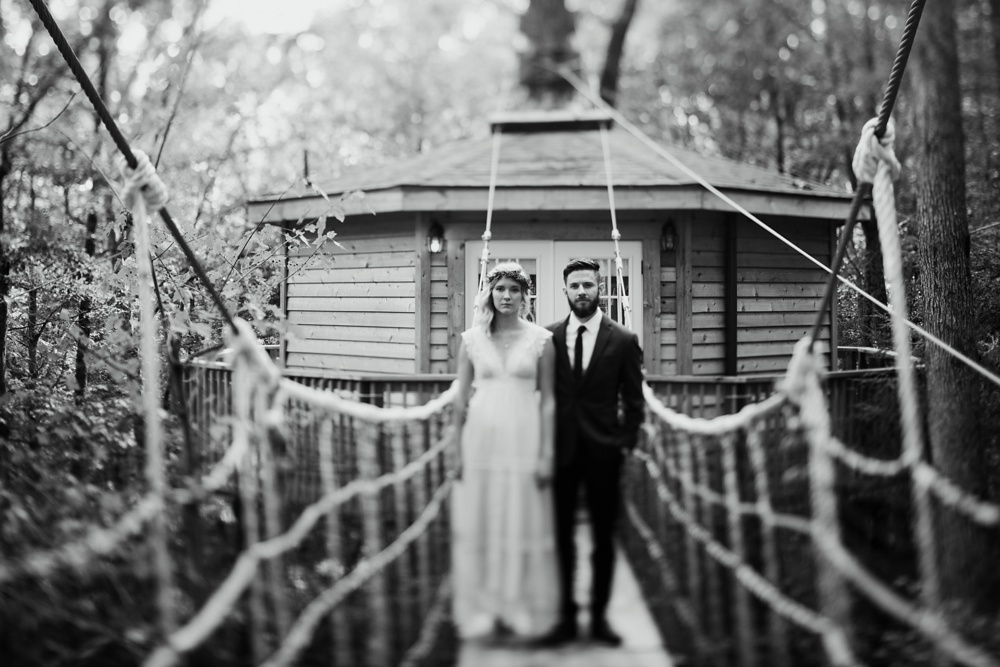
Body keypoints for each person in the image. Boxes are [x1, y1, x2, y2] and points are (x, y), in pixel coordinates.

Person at [450, 262, 560, 639]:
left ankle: (519, 605)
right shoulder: (470, 340)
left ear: (524, 296)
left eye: (515, 289)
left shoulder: (542, 340)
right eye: (501, 289)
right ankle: (487, 607)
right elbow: (460, 399)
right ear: (490, 293)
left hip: (525, 438)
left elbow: (548, 401)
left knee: (522, 519)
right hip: (480, 440)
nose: (507, 296)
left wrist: (547, 453)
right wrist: (455, 451)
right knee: (483, 519)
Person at [539, 257, 644, 647]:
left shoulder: (623, 340)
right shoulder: (547, 338)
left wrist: (623, 444)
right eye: (574, 285)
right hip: (559, 451)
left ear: (599, 288)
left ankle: (599, 619)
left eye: (588, 285)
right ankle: (565, 618)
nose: (581, 291)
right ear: (565, 290)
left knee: (604, 537)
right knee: (560, 537)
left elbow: (635, 403)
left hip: (604, 453)